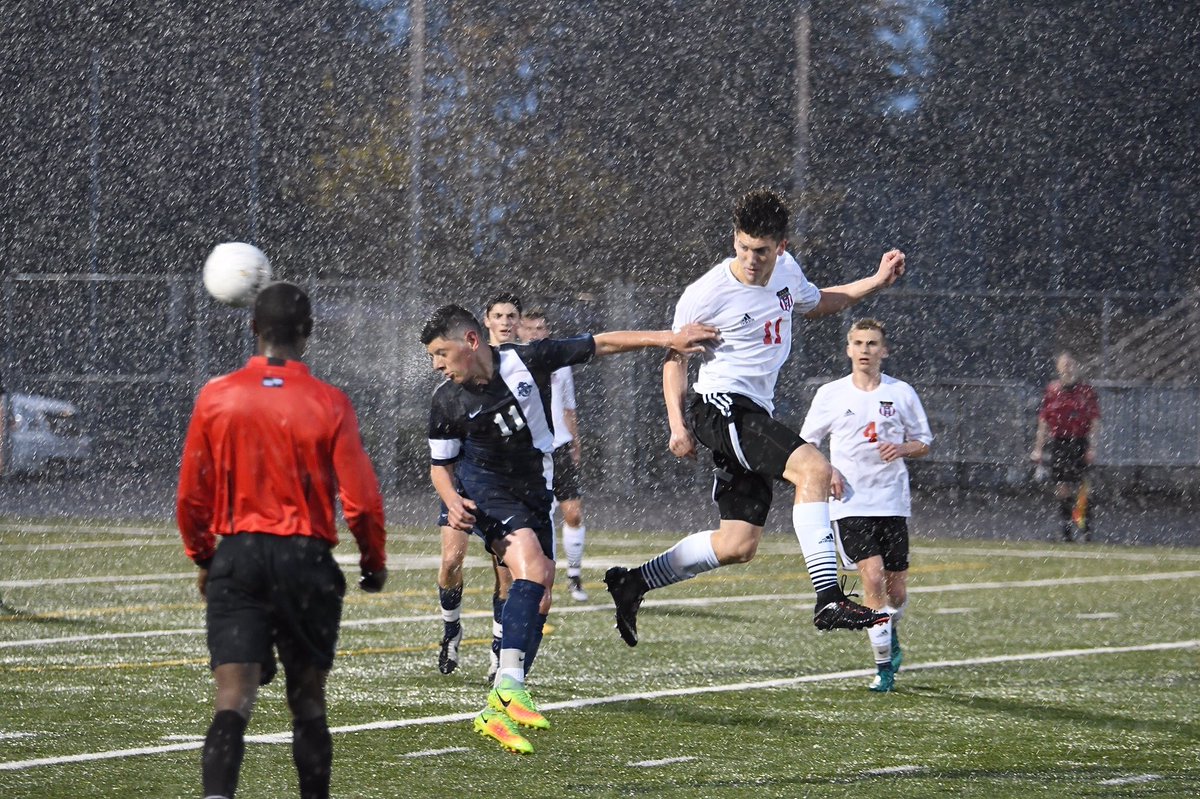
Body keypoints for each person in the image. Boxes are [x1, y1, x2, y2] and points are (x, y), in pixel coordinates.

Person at [603, 188, 905, 648]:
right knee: (814, 469)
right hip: (719, 406)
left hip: (752, 411)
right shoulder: (706, 293)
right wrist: (676, 424)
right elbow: (674, 358)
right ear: (735, 240)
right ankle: (828, 598)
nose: (750, 259)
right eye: (743, 247)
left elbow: (820, 302)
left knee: (737, 544)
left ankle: (635, 582)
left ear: (781, 247)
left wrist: (877, 281)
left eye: (760, 250)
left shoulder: (787, 272)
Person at [421, 304, 716, 754]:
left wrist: (668, 338)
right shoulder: (446, 400)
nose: (437, 365)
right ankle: (509, 685)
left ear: (471, 341)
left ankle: (495, 709)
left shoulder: (529, 359)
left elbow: (602, 343)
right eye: (433, 357)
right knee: (532, 567)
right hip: (486, 492)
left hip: (534, 491)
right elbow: (439, 466)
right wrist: (452, 500)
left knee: (541, 595)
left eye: (441, 353)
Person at [177, 282, 388, 799]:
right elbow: (361, 499)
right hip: (305, 560)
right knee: (308, 700)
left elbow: (191, 495)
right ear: (308, 332)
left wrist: (206, 556)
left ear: (253, 328)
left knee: (233, 698)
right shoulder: (330, 401)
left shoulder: (217, 395)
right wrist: (372, 561)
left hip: (239, 556)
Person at [799, 319, 932, 693]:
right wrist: (829, 470)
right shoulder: (831, 394)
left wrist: (903, 448)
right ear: (848, 349)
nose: (864, 350)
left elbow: (924, 441)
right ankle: (883, 667)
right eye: (858, 343)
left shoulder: (901, 392)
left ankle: (890, 629)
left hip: (891, 501)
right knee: (871, 578)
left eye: (872, 343)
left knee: (896, 590)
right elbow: (806, 442)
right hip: (850, 503)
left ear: (883, 351)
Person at [436, 292, 521, 679]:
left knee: (506, 574)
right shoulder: (461, 372)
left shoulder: (523, 368)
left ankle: (499, 649)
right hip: (466, 483)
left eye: (511, 315)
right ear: (484, 324)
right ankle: (451, 629)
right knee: (451, 561)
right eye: (498, 315)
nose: (505, 322)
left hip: (506, 487)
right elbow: (441, 455)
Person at [520, 309, 590, 602]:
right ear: (520, 331)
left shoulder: (560, 363)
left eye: (540, 328)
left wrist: (575, 441)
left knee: (573, 513)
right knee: (539, 517)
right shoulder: (515, 362)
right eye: (530, 328)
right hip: (531, 449)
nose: (535, 333)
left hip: (559, 446)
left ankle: (574, 575)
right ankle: (537, 578)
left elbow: (568, 406)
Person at [1030, 350, 1101, 541]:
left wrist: (1092, 447)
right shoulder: (1052, 391)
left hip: (1080, 441)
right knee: (1062, 488)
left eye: (1070, 364)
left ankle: (1085, 529)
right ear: (1058, 368)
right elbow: (1044, 421)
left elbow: (1094, 421)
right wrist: (1038, 448)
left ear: (1076, 367)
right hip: (1059, 442)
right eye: (1064, 365)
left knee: (1084, 488)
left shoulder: (1086, 391)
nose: (1067, 368)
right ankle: (1066, 531)